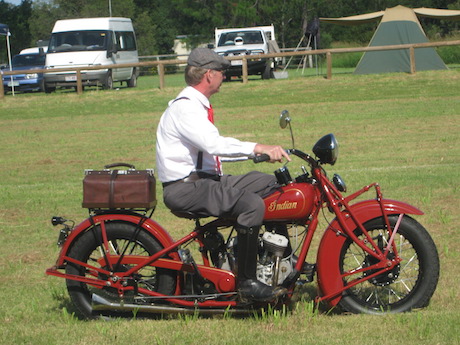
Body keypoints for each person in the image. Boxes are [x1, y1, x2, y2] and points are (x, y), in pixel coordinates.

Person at [155, 48, 290, 302]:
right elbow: (214, 145)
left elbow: (214, 150)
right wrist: (257, 148)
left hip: (206, 180)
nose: (224, 77)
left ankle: (284, 261)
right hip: (186, 187)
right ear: (208, 75)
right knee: (251, 204)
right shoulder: (185, 109)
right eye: (221, 72)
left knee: (271, 184)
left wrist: (257, 154)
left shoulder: (196, 106)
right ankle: (248, 283)